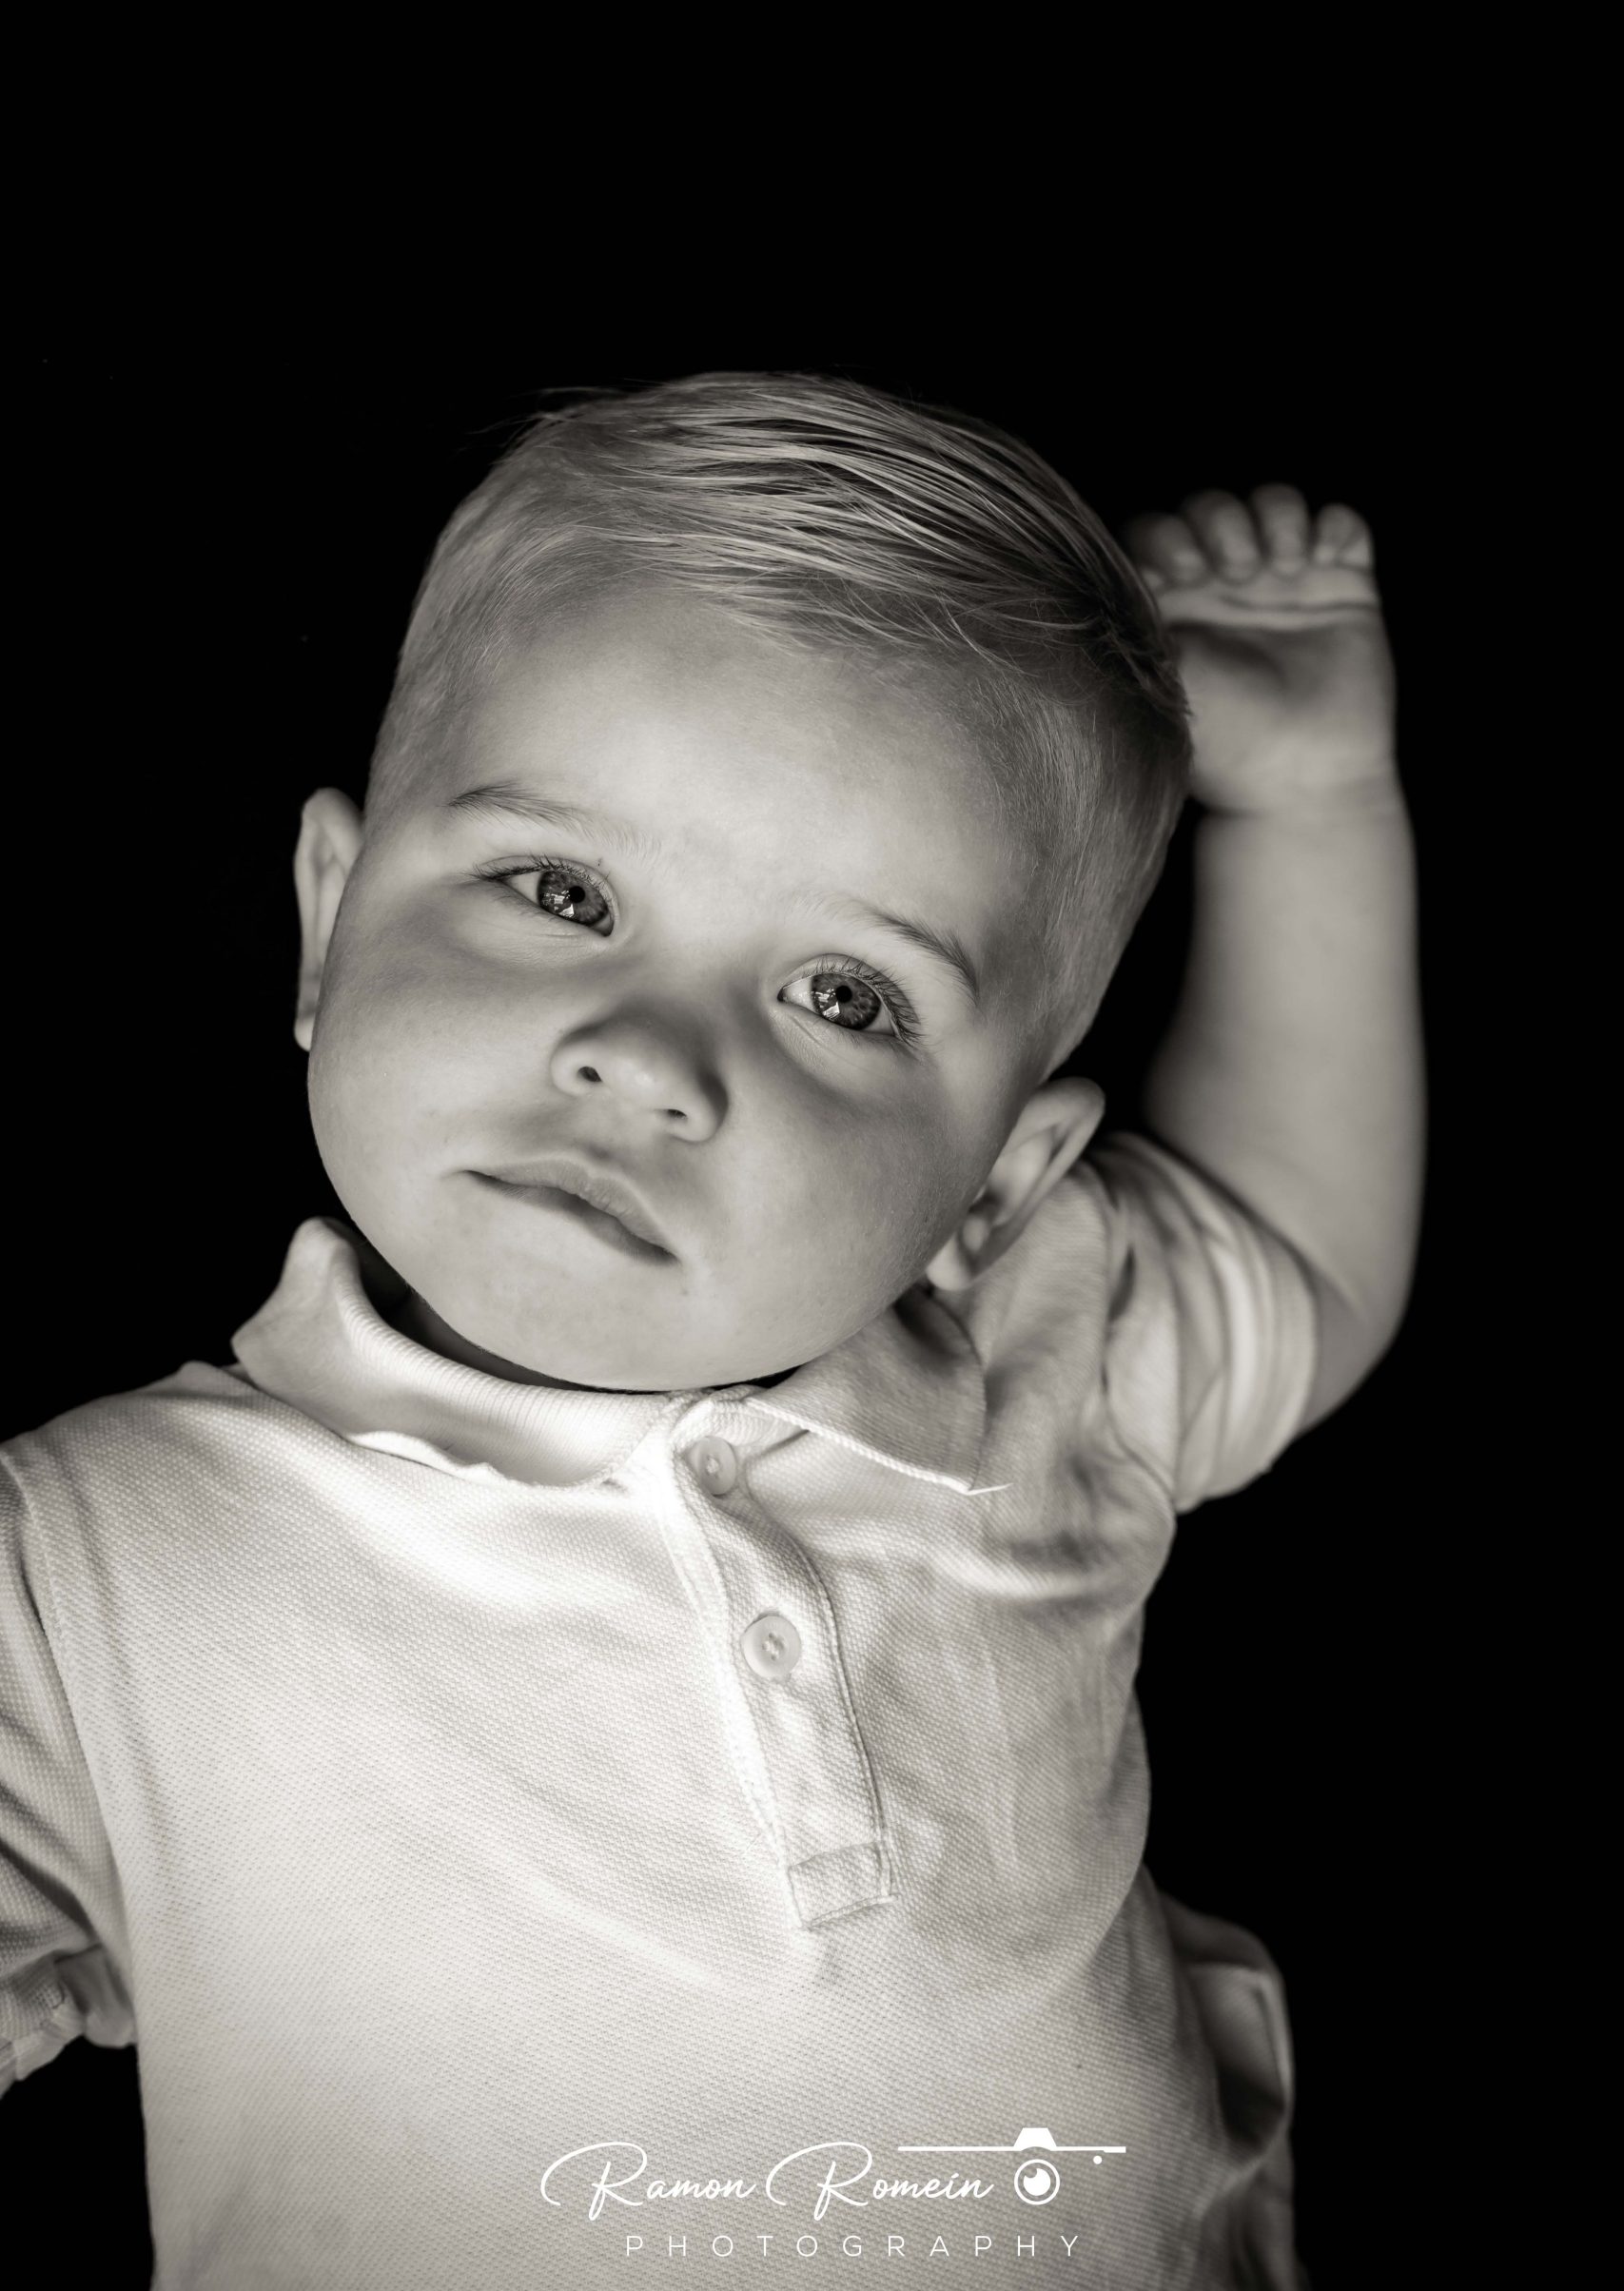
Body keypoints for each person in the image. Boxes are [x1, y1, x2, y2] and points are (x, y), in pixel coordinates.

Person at [0, 374, 1421, 2289]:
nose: (649, 1057)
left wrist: (1310, 803)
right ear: (329, 927)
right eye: (560, 890)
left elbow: (1296, 1248)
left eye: (842, 995)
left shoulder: (1021, 1359)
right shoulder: (88, 1570)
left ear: (995, 1180)